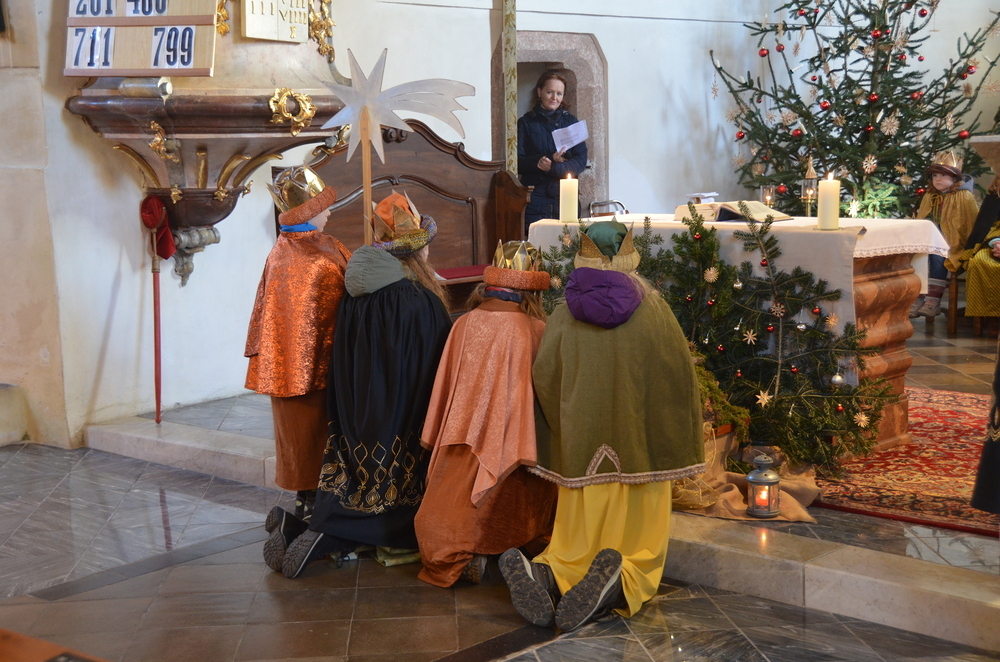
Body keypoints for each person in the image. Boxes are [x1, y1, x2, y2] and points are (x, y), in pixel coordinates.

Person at [499, 221, 704, 631]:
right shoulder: (655, 311)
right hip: (641, 447)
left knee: (575, 534)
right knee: (640, 541)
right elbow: (677, 378)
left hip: (582, 447)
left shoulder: (564, 313)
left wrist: (562, 427)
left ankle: (551, 573)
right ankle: (621, 579)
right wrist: (671, 431)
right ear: (630, 256)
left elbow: (545, 376)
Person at [264, 191, 453, 578]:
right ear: (416, 251)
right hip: (399, 416)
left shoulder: (355, 290)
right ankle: (330, 536)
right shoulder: (416, 299)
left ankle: (302, 526)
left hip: (353, 413)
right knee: (395, 512)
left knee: (351, 478)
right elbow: (435, 367)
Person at [414, 241, 558, 587]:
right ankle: (508, 551)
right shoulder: (534, 329)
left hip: (460, 435)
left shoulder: (464, 323)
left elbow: (446, 386)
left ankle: (461, 552)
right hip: (513, 441)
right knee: (526, 494)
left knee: (447, 509)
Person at [246, 164, 350, 540]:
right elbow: (343, 309)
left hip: (284, 368)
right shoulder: (320, 257)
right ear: (309, 211)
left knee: (298, 443)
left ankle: (305, 506)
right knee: (314, 442)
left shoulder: (281, 251)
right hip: (317, 374)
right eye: (323, 206)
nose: (330, 211)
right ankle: (316, 516)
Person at [910, 151, 979, 319]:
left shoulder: (964, 197)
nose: (937, 179)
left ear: (954, 178)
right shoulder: (930, 196)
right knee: (918, 255)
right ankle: (918, 297)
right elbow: (923, 219)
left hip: (953, 242)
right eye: (934, 175)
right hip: (930, 240)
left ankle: (933, 300)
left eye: (942, 175)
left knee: (937, 256)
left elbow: (971, 224)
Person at [518, 70, 588, 231]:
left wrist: (553, 167)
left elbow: (580, 161)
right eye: (549, 92)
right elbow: (518, 162)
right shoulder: (525, 123)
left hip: (564, 196)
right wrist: (547, 159)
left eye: (559, 93)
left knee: (567, 242)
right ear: (539, 92)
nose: (554, 98)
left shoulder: (571, 122)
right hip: (535, 197)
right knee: (537, 242)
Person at [959, 176, 1000, 324]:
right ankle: (990, 320)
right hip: (994, 240)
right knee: (980, 263)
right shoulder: (994, 198)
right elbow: (985, 226)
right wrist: (996, 242)